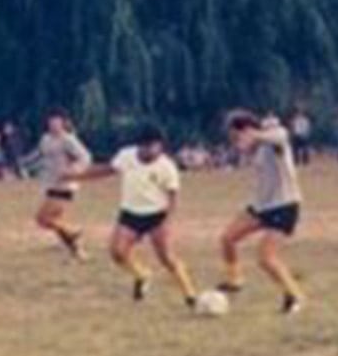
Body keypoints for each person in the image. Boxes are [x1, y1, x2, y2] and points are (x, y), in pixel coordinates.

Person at [74, 126, 198, 307]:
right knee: (117, 252)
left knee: (166, 258)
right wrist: (77, 177)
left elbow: (173, 198)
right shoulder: (127, 156)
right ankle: (142, 275)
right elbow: (108, 169)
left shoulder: (167, 167)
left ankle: (190, 295)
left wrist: (167, 222)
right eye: (144, 146)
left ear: (160, 146)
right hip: (130, 213)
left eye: (153, 146)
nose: (149, 150)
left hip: (156, 215)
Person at [217, 110, 307, 315]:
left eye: (235, 137)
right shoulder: (255, 150)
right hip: (261, 207)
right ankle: (235, 280)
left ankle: (294, 296)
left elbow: (282, 135)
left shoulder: (272, 144)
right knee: (227, 238)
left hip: (284, 205)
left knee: (266, 257)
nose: (235, 143)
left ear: (246, 131)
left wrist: (256, 135)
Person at [32, 111, 92, 262]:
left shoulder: (68, 140)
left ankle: (73, 233)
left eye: (57, 122)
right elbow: (42, 157)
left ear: (63, 123)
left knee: (42, 219)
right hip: (50, 183)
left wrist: (73, 170)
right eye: (51, 121)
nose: (53, 125)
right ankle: (77, 251)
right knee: (56, 222)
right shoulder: (45, 139)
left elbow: (85, 157)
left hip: (65, 185)